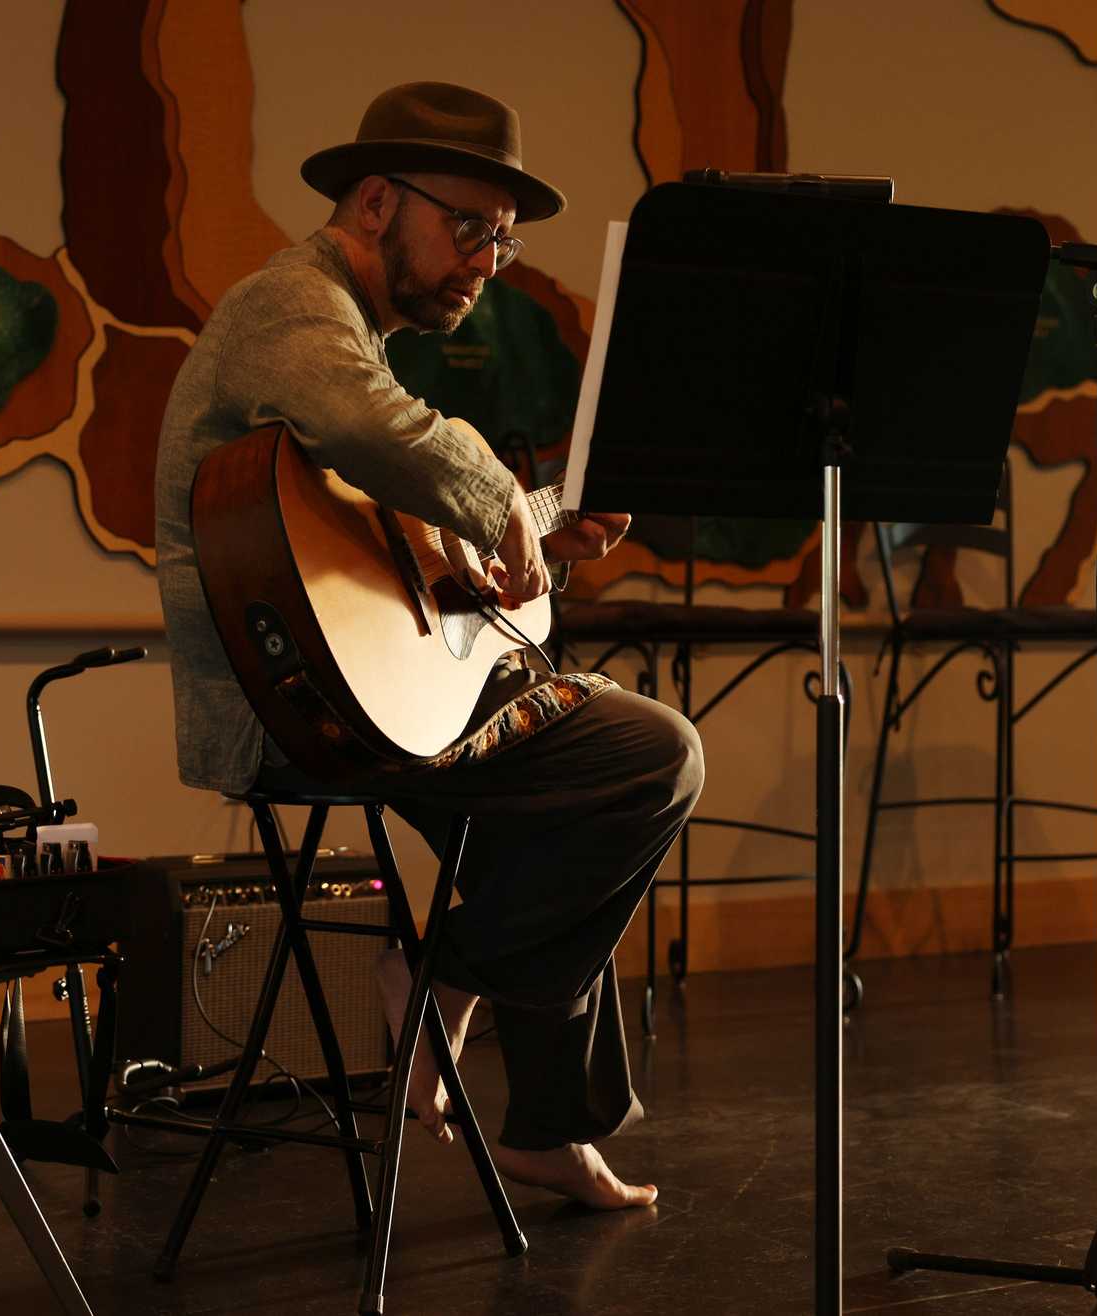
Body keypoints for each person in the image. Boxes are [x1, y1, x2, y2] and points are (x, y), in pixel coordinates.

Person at [153, 81, 703, 1210]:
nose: (483, 262)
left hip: (342, 684)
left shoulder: (345, 336)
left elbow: (359, 556)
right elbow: (373, 428)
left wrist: (540, 533)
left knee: (560, 776)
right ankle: (445, 976)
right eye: (466, 227)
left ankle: (548, 1121)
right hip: (289, 709)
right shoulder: (289, 307)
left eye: (501, 243)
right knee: (647, 757)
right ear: (371, 200)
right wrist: (504, 498)